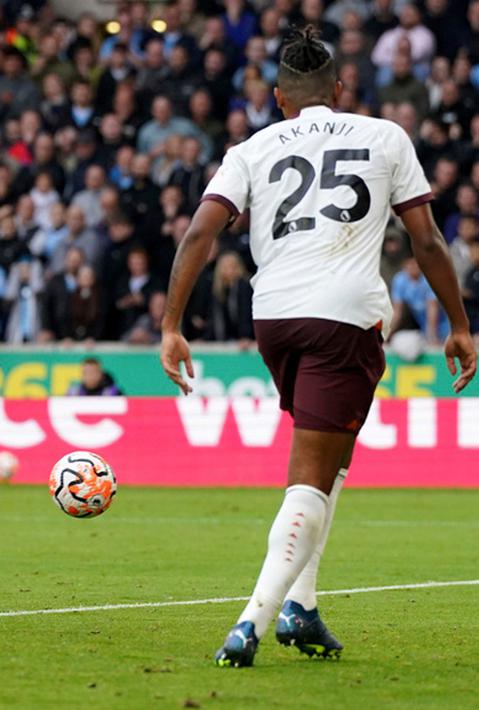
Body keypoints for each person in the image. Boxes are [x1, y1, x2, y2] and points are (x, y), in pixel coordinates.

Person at [159, 27, 476, 668]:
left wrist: (171, 323)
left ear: (279, 98)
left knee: (331, 460)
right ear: (340, 89)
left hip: (273, 317)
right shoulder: (384, 136)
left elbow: (198, 232)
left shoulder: (250, 148)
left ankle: (301, 608)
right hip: (344, 317)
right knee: (308, 476)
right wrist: (460, 323)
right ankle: (252, 620)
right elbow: (427, 241)